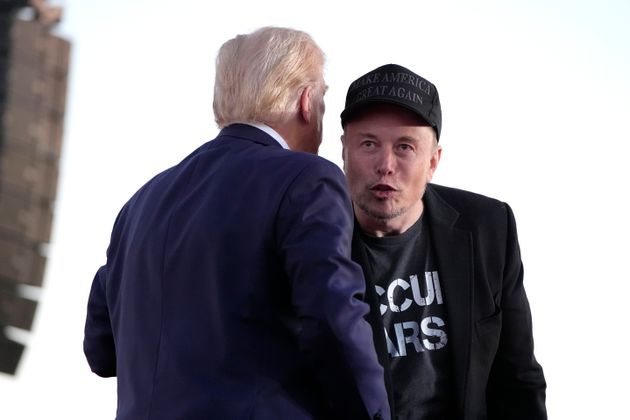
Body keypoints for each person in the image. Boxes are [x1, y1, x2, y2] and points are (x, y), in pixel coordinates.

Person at [83, 27, 390, 420]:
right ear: (305, 102)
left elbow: (101, 349)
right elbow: (334, 321)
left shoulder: (141, 202)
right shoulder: (308, 180)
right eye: (323, 101)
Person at [339, 63, 547, 419]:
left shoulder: (488, 228)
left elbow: (518, 379)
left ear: (433, 161)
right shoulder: (314, 239)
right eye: (369, 144)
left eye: (405, 147)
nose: (385, 164)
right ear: (344, 151)